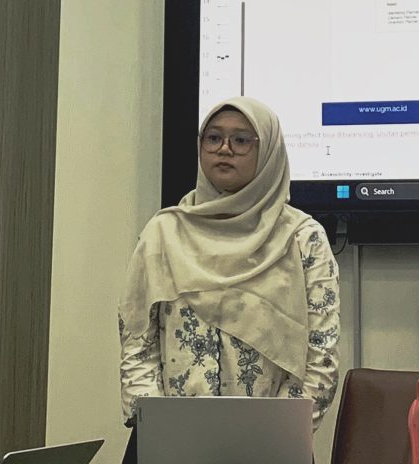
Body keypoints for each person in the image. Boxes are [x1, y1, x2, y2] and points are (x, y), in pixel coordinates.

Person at [118, 97, 340, 460]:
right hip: (169, 442)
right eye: (213, 138)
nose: (224, 149)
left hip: (271, 445)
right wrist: (158, 427)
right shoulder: (164, 232)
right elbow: (137, 341)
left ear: (267, 150)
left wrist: (273, 436)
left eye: (241, 140)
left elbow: (321, 354)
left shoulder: (302, 238)